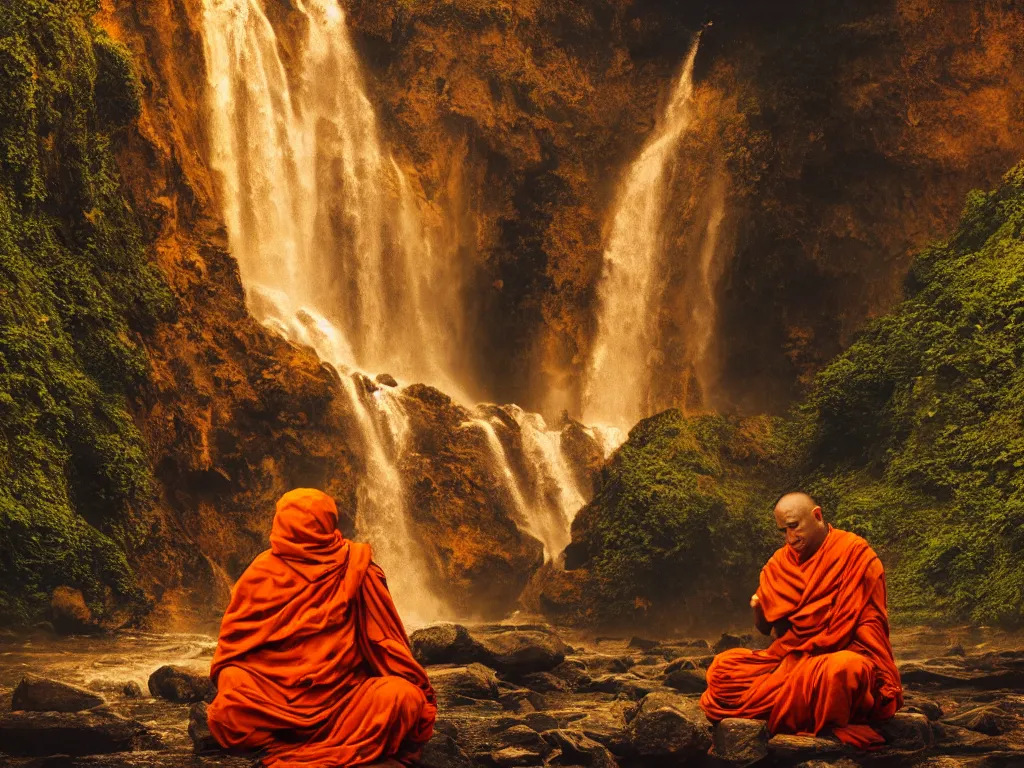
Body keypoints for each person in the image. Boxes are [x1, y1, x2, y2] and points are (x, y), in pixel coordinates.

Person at [206, 488, 436, 767]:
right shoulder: (261, 572)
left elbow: (385, 644)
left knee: (402, 696)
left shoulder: (357, 568)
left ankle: (296, 747)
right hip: (276, 698)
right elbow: (234, 649)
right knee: (230, 699)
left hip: (347, 696)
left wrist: (411, 680)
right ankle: (332, 742)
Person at [699, 492, 903, 748]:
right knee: (722, 666)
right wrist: (758, 609)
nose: (790, 538)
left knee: (844, 669)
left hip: (840, 654)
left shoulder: (856, 555)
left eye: (794, 527)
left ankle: (793, 705)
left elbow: (871, 625)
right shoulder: (779, 563)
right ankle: (801, 703)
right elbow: (768, 631)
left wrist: (831, 648)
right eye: (783, 530)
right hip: (790, 658)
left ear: (817, 516)